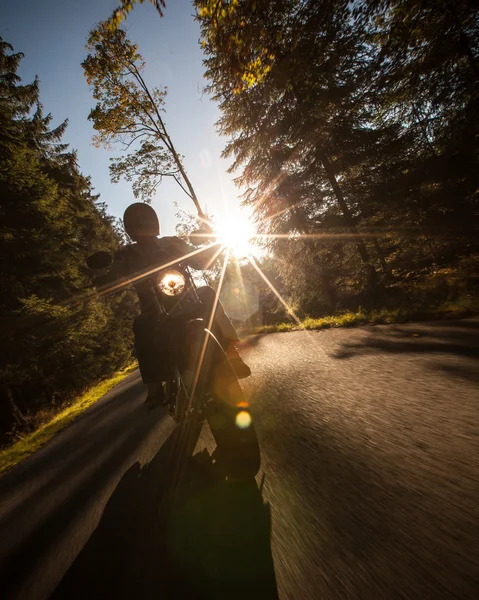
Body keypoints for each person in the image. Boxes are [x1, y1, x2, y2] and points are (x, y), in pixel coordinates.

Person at [121, 203, 251, 402]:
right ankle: (154, 384)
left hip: (186, 297)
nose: (143, 225)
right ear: (130, 227)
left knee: (207, 293)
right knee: (141, 325)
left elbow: (199, 260)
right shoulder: (125, 254)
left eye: (145, 220)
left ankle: (231, 352)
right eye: (138, 222)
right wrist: (108, 276)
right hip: (152, 309)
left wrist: (207, 252)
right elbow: (114, 274)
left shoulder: (172, 243)